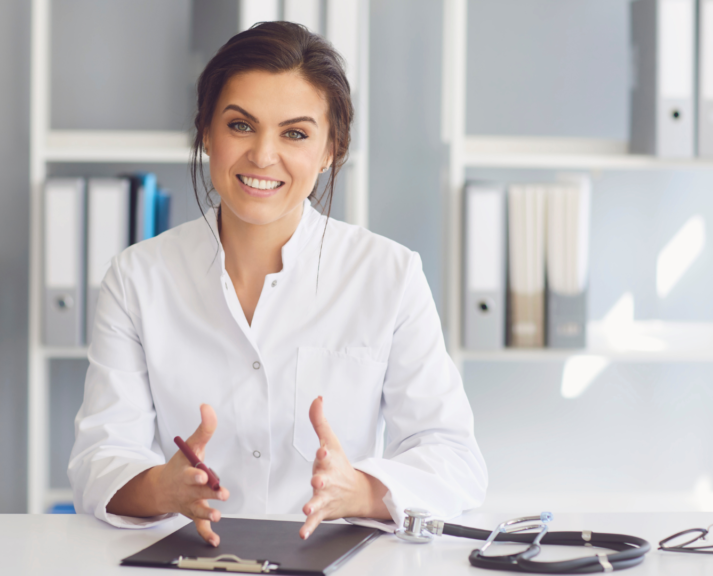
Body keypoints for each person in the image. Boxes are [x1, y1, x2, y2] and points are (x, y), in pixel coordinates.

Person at [68, 21, 487, 546]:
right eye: (241, 126)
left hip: (335, 559)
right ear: (205, 131)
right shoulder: (137, 278)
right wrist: (163, 489)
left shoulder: (390, 275)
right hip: (196, 559)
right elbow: (98, 459)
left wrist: (358, 490)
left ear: (331, 148)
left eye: (295, 133)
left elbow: (454, 458)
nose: (263, 156)